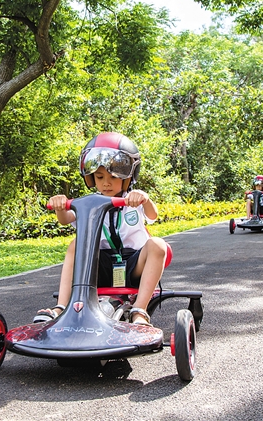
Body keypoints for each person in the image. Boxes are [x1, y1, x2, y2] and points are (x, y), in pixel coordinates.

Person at [36, 132, 168, 327]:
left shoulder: (134, 199)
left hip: (134, 264)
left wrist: (144, 198)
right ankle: (61, 308)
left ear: (128, 177)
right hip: (100, 264)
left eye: (113, 177)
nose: (106, 182)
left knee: (158, 244)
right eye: (99, 177)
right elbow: (66, 220)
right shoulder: (89, 204)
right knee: (76, 244)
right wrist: (59, 206)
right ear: (91, 178)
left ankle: (139, 311)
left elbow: (153, 215)